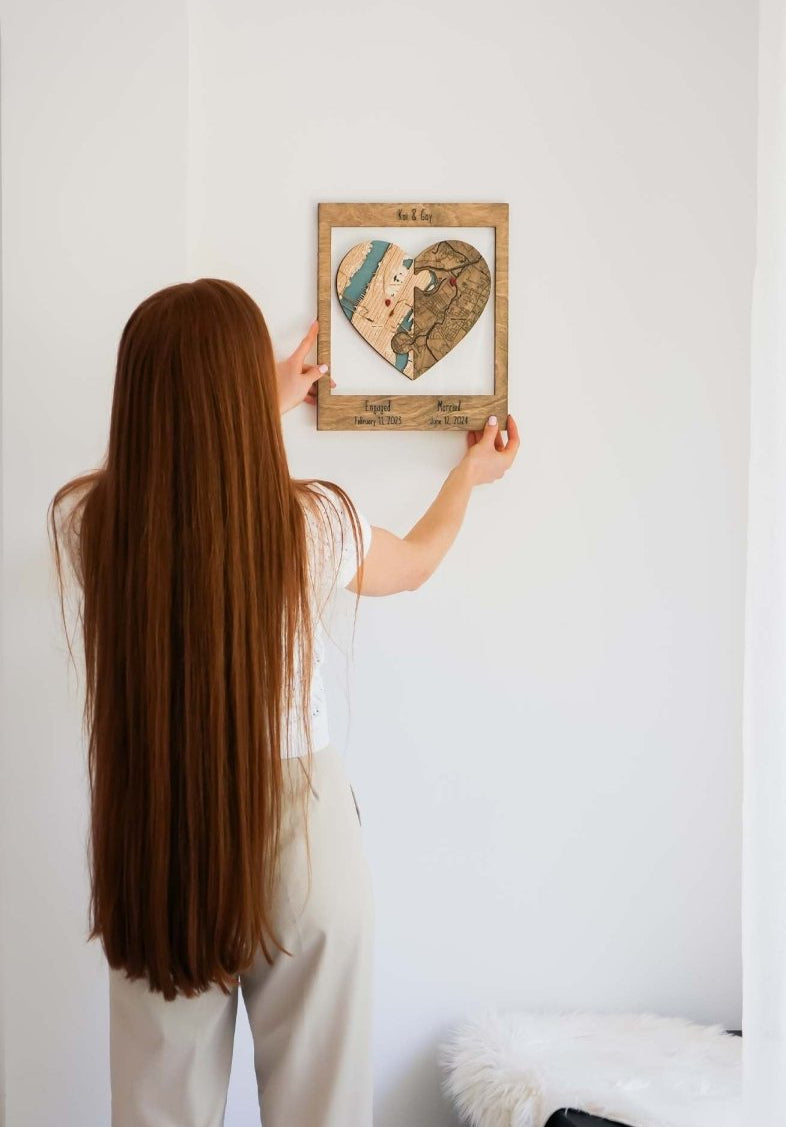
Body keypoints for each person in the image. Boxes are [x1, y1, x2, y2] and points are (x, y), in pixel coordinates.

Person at [48, 277, 520, 1127]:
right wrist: (468, 475)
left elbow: (189, 493)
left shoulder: (91, 523)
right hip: (304, 841)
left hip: (159, 834)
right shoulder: (315, 524)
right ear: (240, 393)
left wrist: (244, 405)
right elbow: (415, 560)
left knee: (158, 1109)